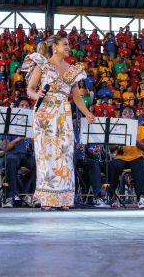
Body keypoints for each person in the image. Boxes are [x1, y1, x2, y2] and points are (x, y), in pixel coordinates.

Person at [23, 34, 95, 211]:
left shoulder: (72, 70)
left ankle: (63, 200)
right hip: (45, 115)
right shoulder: (43, 63)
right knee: (46, 156)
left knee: (63, 155)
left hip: (63, 114)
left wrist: (87, 114)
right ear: (54, 46)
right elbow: (30, 89)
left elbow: (77, 98)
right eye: (65, 44)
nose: (68, 47)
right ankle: (47, 199)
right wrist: (36, 95)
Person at [0, 97, 38, 208]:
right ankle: (9, 197)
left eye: (27, 106)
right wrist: (17, 139)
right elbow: (6, 147)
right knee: (10, 160)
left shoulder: (32, 124)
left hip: (27, 154)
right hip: (13, 154)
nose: (25, 108)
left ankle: (35, 196)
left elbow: (36, 147)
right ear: (17, 108)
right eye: (22, 106)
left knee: (38, 163)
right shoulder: (10, 124)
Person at [108, 105, 144, 209]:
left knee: (141, 165)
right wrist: (118, 138)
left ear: (134, 116)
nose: (127, 115)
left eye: (130, 113)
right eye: (125, 113)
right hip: (121, 158)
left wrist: (134, 140)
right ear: (121, 116)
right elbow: (112, 148)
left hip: (136, 157)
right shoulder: (117, 129)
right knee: (112, 165)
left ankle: (142, 197)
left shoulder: (140, 128)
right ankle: (110, 196)